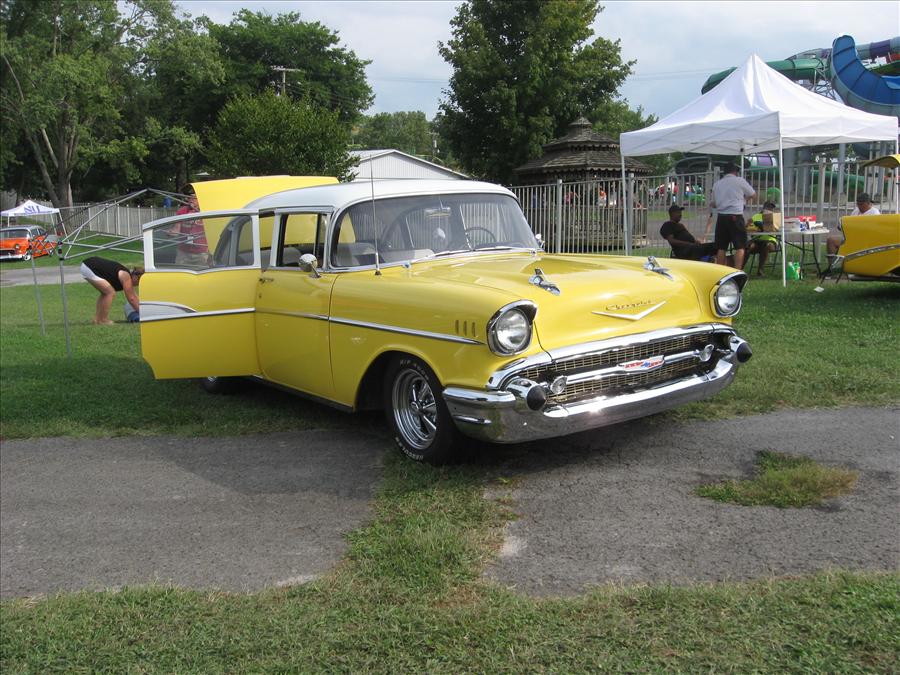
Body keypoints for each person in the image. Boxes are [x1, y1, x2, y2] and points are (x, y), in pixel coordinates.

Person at [709, 161, 756, 269]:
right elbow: (753, 194)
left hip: (721, 217)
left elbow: (714, 203)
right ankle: (737, 270)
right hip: (735, 215)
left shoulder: (717, 184)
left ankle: (720, 271)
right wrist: (744, 200)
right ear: (735, 172)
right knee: (740, 246)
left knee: (721, 247)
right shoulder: (739, 181)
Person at [80, 256, 143, 325]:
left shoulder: (127, 277)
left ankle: (97, 319)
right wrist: (142, 314)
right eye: (139, 281)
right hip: (90, 266)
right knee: (110, 292)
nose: (138, 284)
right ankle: (103, 320)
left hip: (88, 265)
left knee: (105, 293)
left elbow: (134, 296)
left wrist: (143, 309)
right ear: (135, 276)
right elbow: (131, 299)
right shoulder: (126, 276)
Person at [174, 186, 209, 266]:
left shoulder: (206, 211)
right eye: (189, 198)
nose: (190, 200)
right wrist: (171, 232)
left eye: (193, 198)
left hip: (202, 252)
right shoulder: (182, 211)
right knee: (179, 272)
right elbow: (176, 229)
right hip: (183, 252)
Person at [745, 202, 780, 276]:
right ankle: (739, 269)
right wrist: (751, 227)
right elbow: (747, 228)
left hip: (770, 241)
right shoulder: (756, 216)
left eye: (771, 209)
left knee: (766, 245)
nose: (770, 210)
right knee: (748, 246)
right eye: (768, 208)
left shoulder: (774, 217)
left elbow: (779, 230)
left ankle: (760, 270)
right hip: (757, 240)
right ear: (764, 208)